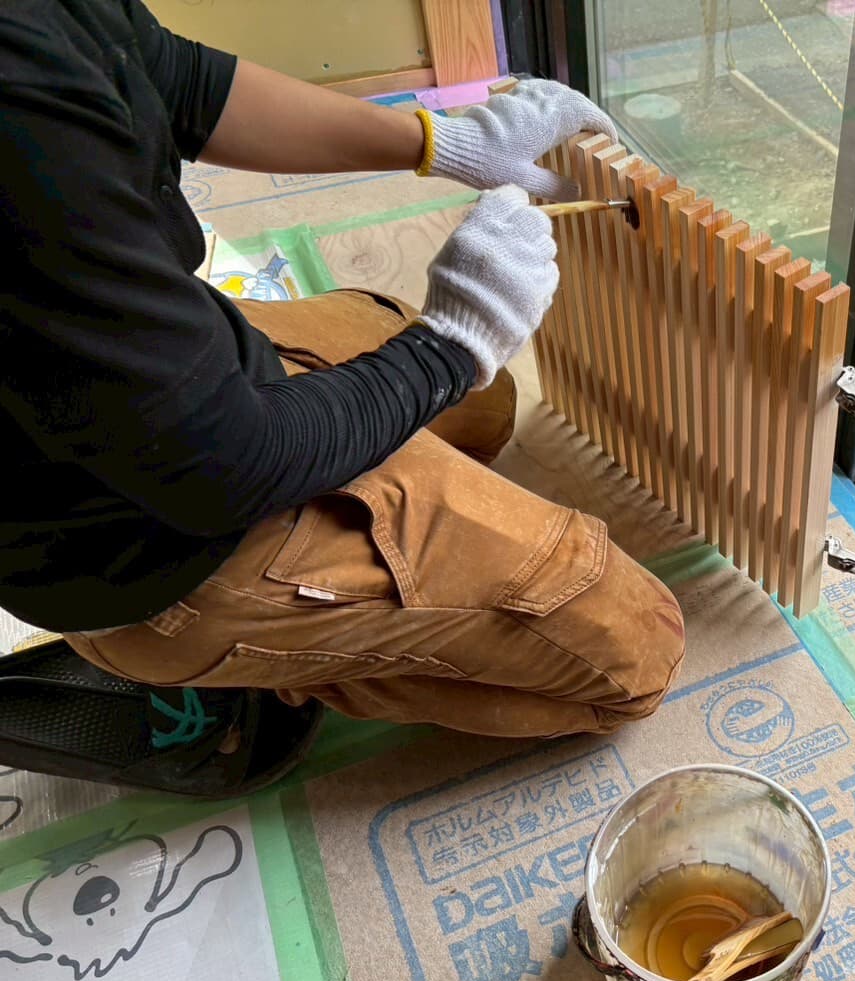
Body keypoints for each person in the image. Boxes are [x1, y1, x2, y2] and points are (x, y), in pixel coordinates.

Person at [0, 1, 685, 792]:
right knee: (635, 650)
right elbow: (226, 463)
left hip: (150, 382)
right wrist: (448, 348)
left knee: (484, 408)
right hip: (148, 539)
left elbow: (166, 73)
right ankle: (240, 658)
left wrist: (445, 142)